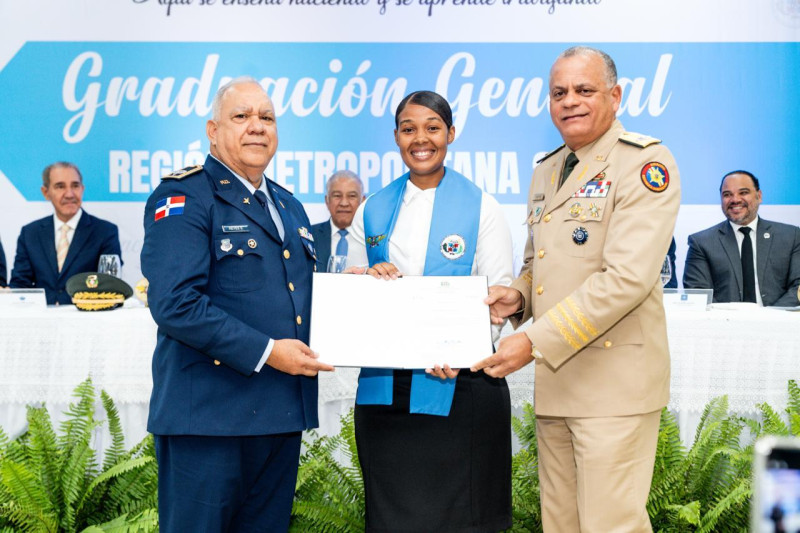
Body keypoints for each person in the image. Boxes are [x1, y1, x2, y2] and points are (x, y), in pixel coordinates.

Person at [472, 46, 681, 532]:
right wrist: (519, 296)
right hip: (559, 383)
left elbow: (626, 279)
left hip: (613, 386)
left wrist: (533, 340)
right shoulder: (548, 168)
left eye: (584, 90)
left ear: (615, 95)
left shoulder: (645, 163)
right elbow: (539, 260)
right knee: (561, 525)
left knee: (611, 525)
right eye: (559, 92)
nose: (570, 101)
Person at [140, 77, 333, 531]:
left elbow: (298, 295)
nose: (256, 127)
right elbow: (175, 303)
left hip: (279, 415)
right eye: (241, 117)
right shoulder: (184, 195)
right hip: (209, 421)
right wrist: (269, 352)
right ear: (212, 129)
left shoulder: (288, 205)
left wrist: (357, 289)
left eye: (266, 118)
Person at [348, 90, 514, 532]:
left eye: (432, 128)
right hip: (386, 397)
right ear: (396, 138)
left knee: (462, 519)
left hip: (460, 391)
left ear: (451, 134)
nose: (420, 139)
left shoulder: (484, 208)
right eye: (408, 129)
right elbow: (350, 291)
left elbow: (497, 301)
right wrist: (365, 281)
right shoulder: (371, 209)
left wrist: (463, 349)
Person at [10, 162, 122, 305]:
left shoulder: (105, 231)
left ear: (82, 189)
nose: (69, 194)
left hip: (87, 321)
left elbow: (110, 285)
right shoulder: (30, 233)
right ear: (45, 192)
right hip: (40, 322)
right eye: (60, 186)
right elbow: (20, 285)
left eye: (75, 186)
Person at [683, 170, 800, 306]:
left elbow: (798, 286)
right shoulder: (701, 242)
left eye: (743, 192)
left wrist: (770, 317)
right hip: (723, 323)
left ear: (759, 196)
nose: (735, 200)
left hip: (779, 321)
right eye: (727, 195)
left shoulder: (791, 236)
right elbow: (697, 292)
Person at [310, 169, 364, 272]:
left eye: (352, 196)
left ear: (362, 201)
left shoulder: (372, 239)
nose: (344, 203)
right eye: (337, 196)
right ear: (327, 200)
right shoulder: (310, 235)